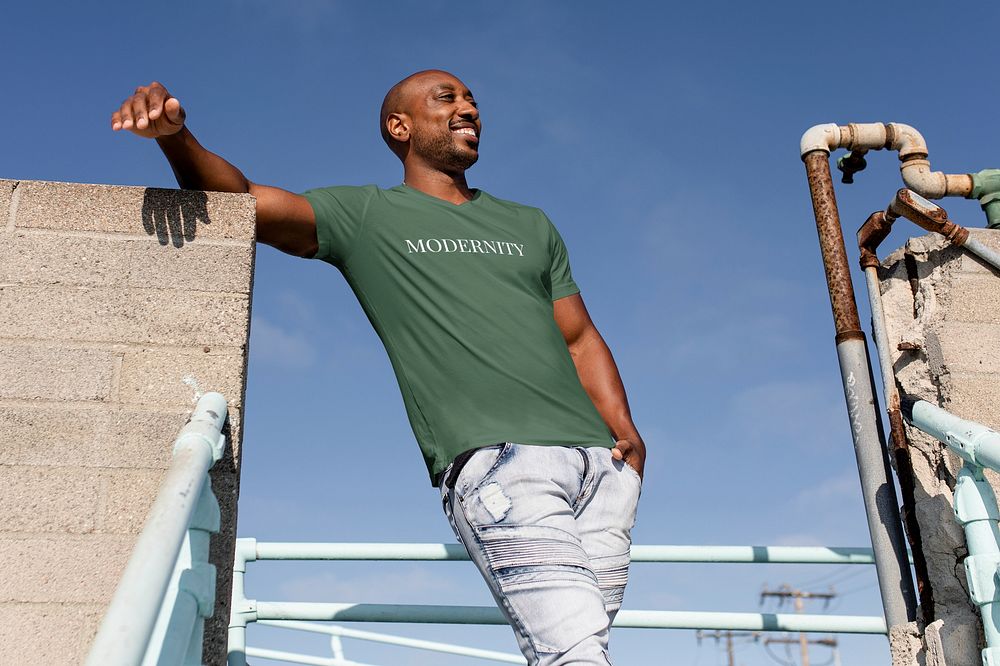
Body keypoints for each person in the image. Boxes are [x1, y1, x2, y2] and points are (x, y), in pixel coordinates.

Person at [111, 70, 646, 666]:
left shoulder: (530, 224)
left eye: (471, 99)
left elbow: (578, 336)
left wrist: (623, 434)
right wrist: (175, 139)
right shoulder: (364, 214)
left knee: (587, 648)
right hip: (501, 462)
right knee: (573, 653)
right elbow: (241, 201)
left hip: (600, 468)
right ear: (401, 127)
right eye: (447, 98)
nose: (467, 107)